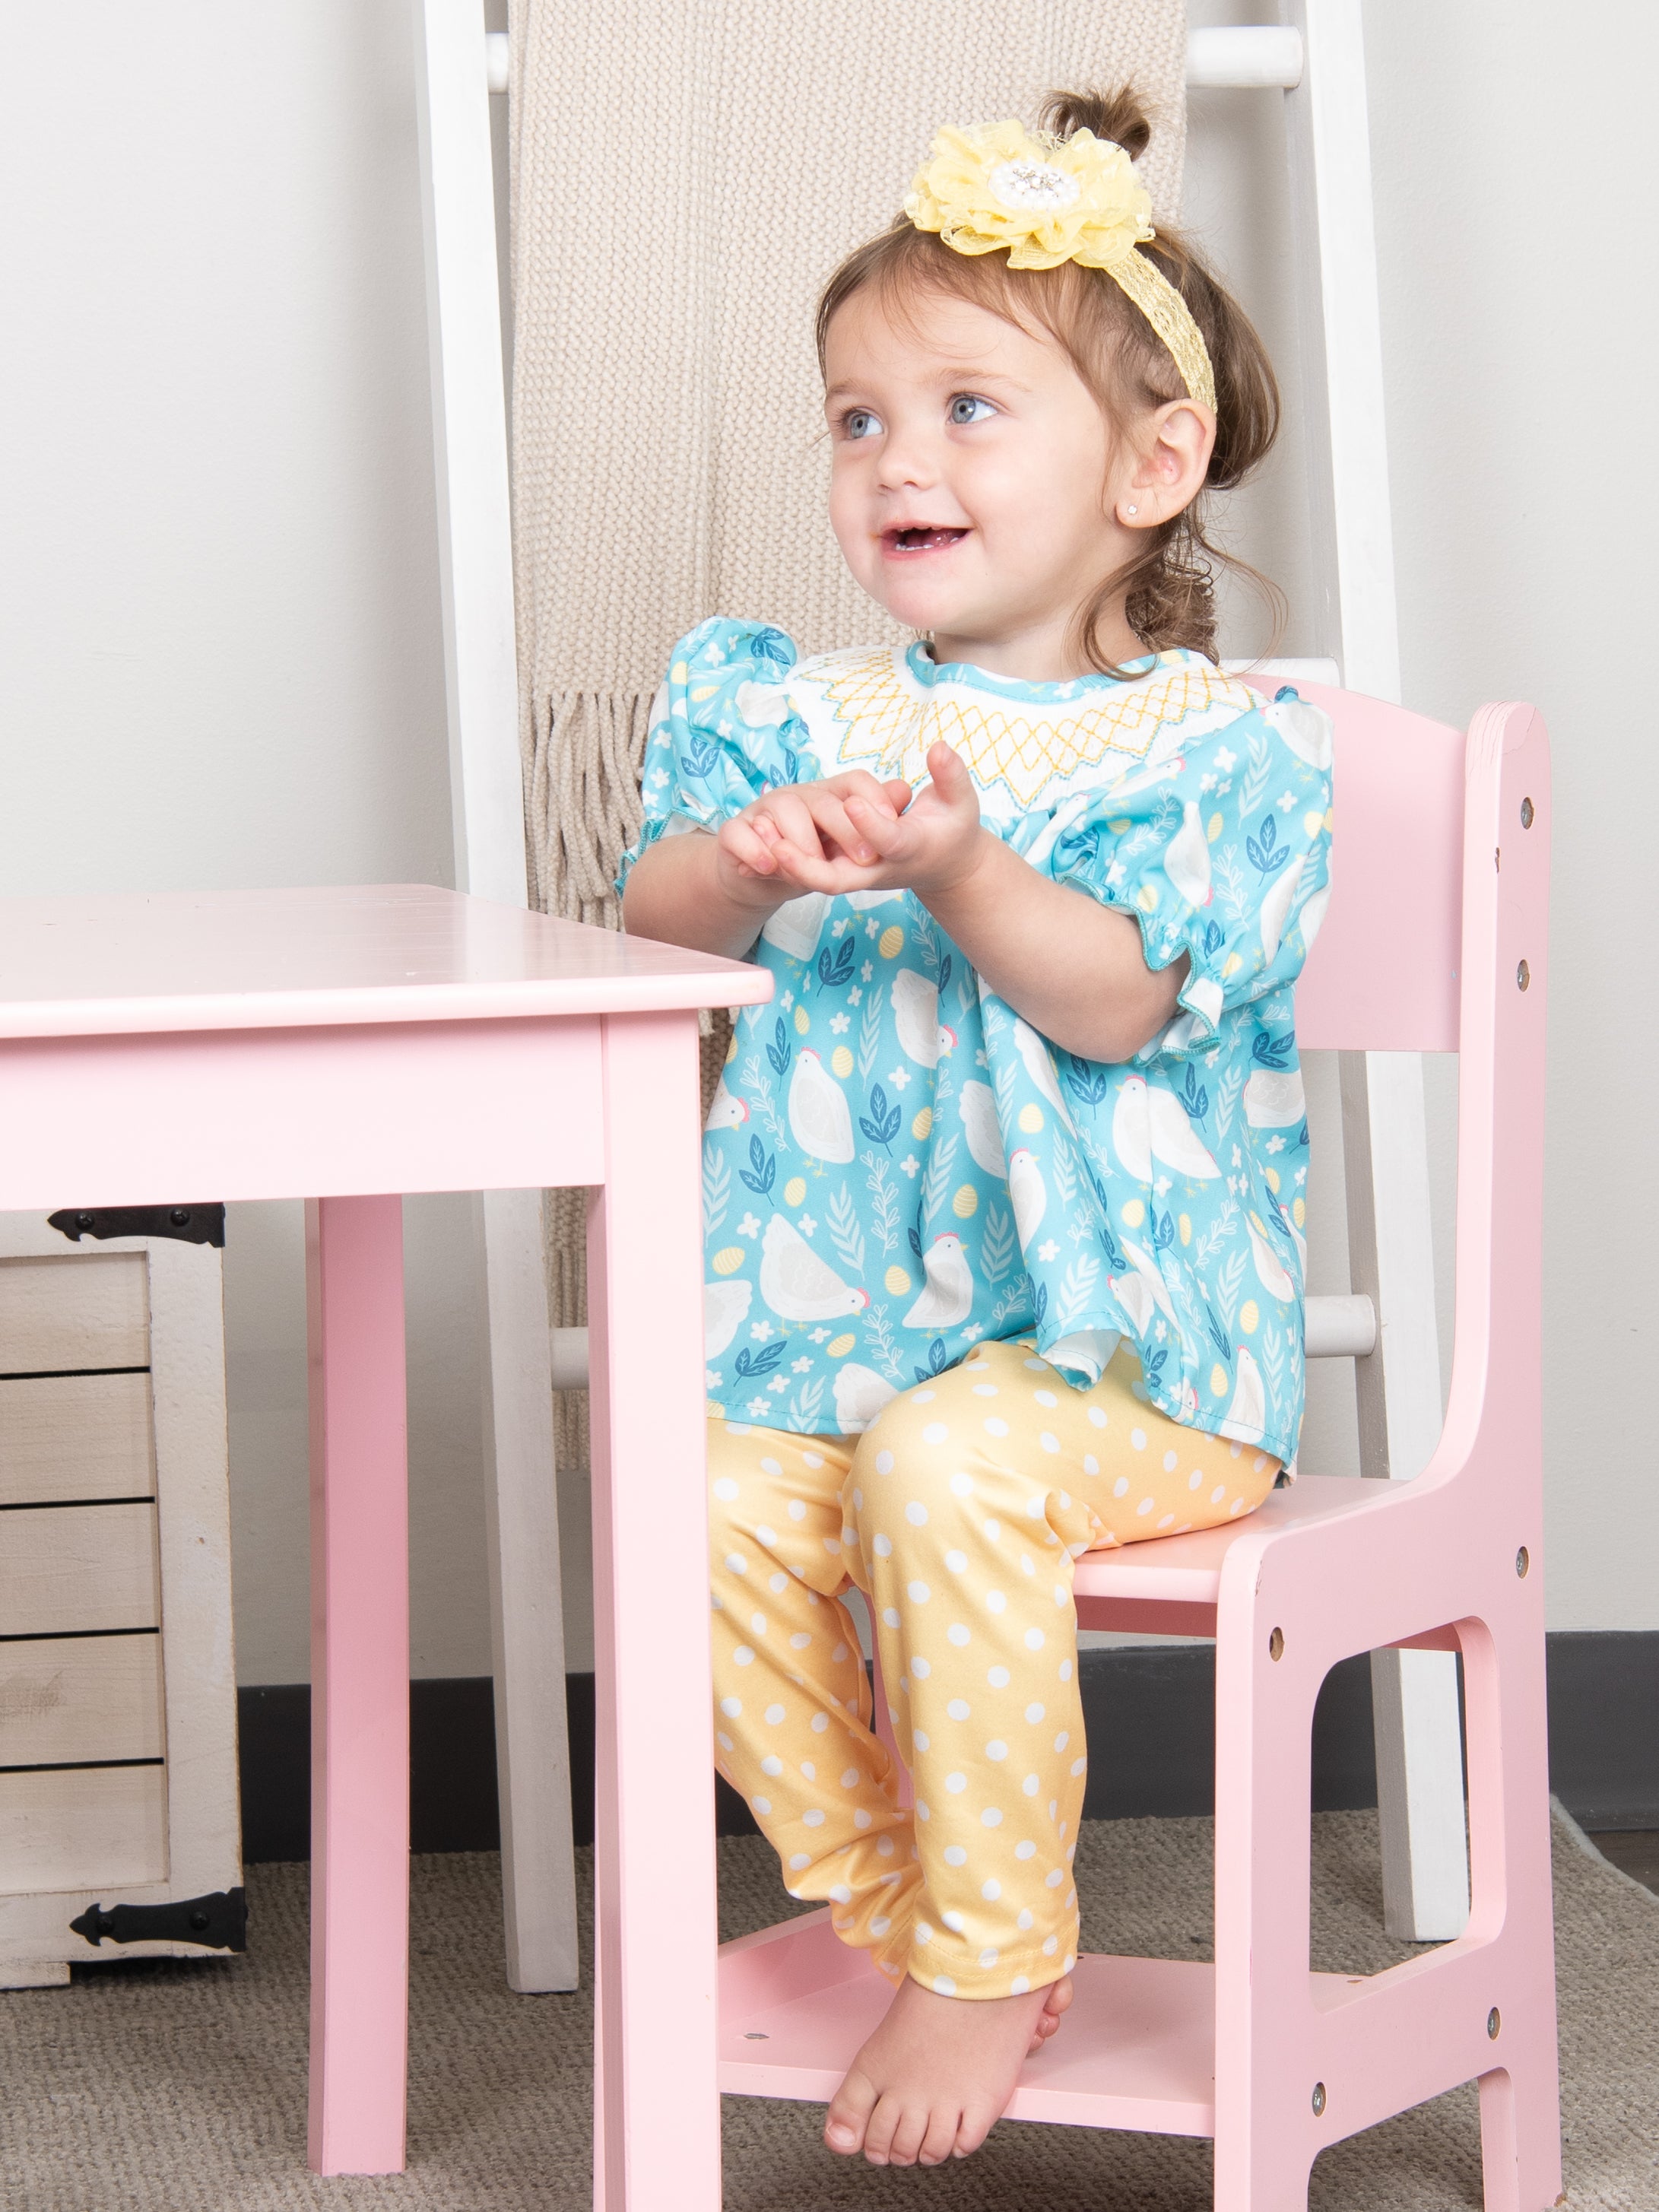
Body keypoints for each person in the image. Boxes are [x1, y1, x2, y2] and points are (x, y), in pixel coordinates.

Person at [619, 84, 1334, 2170]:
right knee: (687, 1491)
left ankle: (990, 1950)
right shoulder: (788, 713)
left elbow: (1113, 1003)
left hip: (1141, 1373)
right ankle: (907, 1903)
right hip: (837, 1351)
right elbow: (654, 935)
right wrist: (743, 864)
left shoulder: (1217, 754)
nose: (897, 459)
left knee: (952, 1468)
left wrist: (956, 868)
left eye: (964, 409)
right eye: (857, 419)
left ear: (1151, 465)